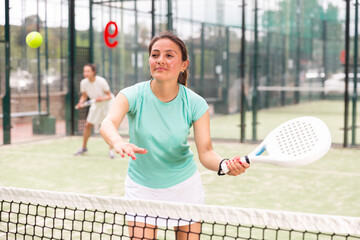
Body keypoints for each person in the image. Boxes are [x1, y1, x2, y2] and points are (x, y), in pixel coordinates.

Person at [100, 31, 250, 240]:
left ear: (183, 64)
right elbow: (107, 123)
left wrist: (224, 165)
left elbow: (206, 152)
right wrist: (117, 142)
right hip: (141, 189)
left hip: (184, 188)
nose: (160, 60)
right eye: (155, 55)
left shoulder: (196, 103)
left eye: (169, 55)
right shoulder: (132, 94)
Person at [74, 63, 115, 158]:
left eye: (88, 71)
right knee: (88, 125)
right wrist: (81, 102)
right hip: (96, 105)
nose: (85, 73)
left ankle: (111, 150)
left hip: (107, 104)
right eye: (84, 71)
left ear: (93, 72)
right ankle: (84, 148)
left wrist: (102, 99)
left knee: (109, 126)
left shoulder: (101, 81)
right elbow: (84, 96)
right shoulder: (83, 83)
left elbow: (109, 96)